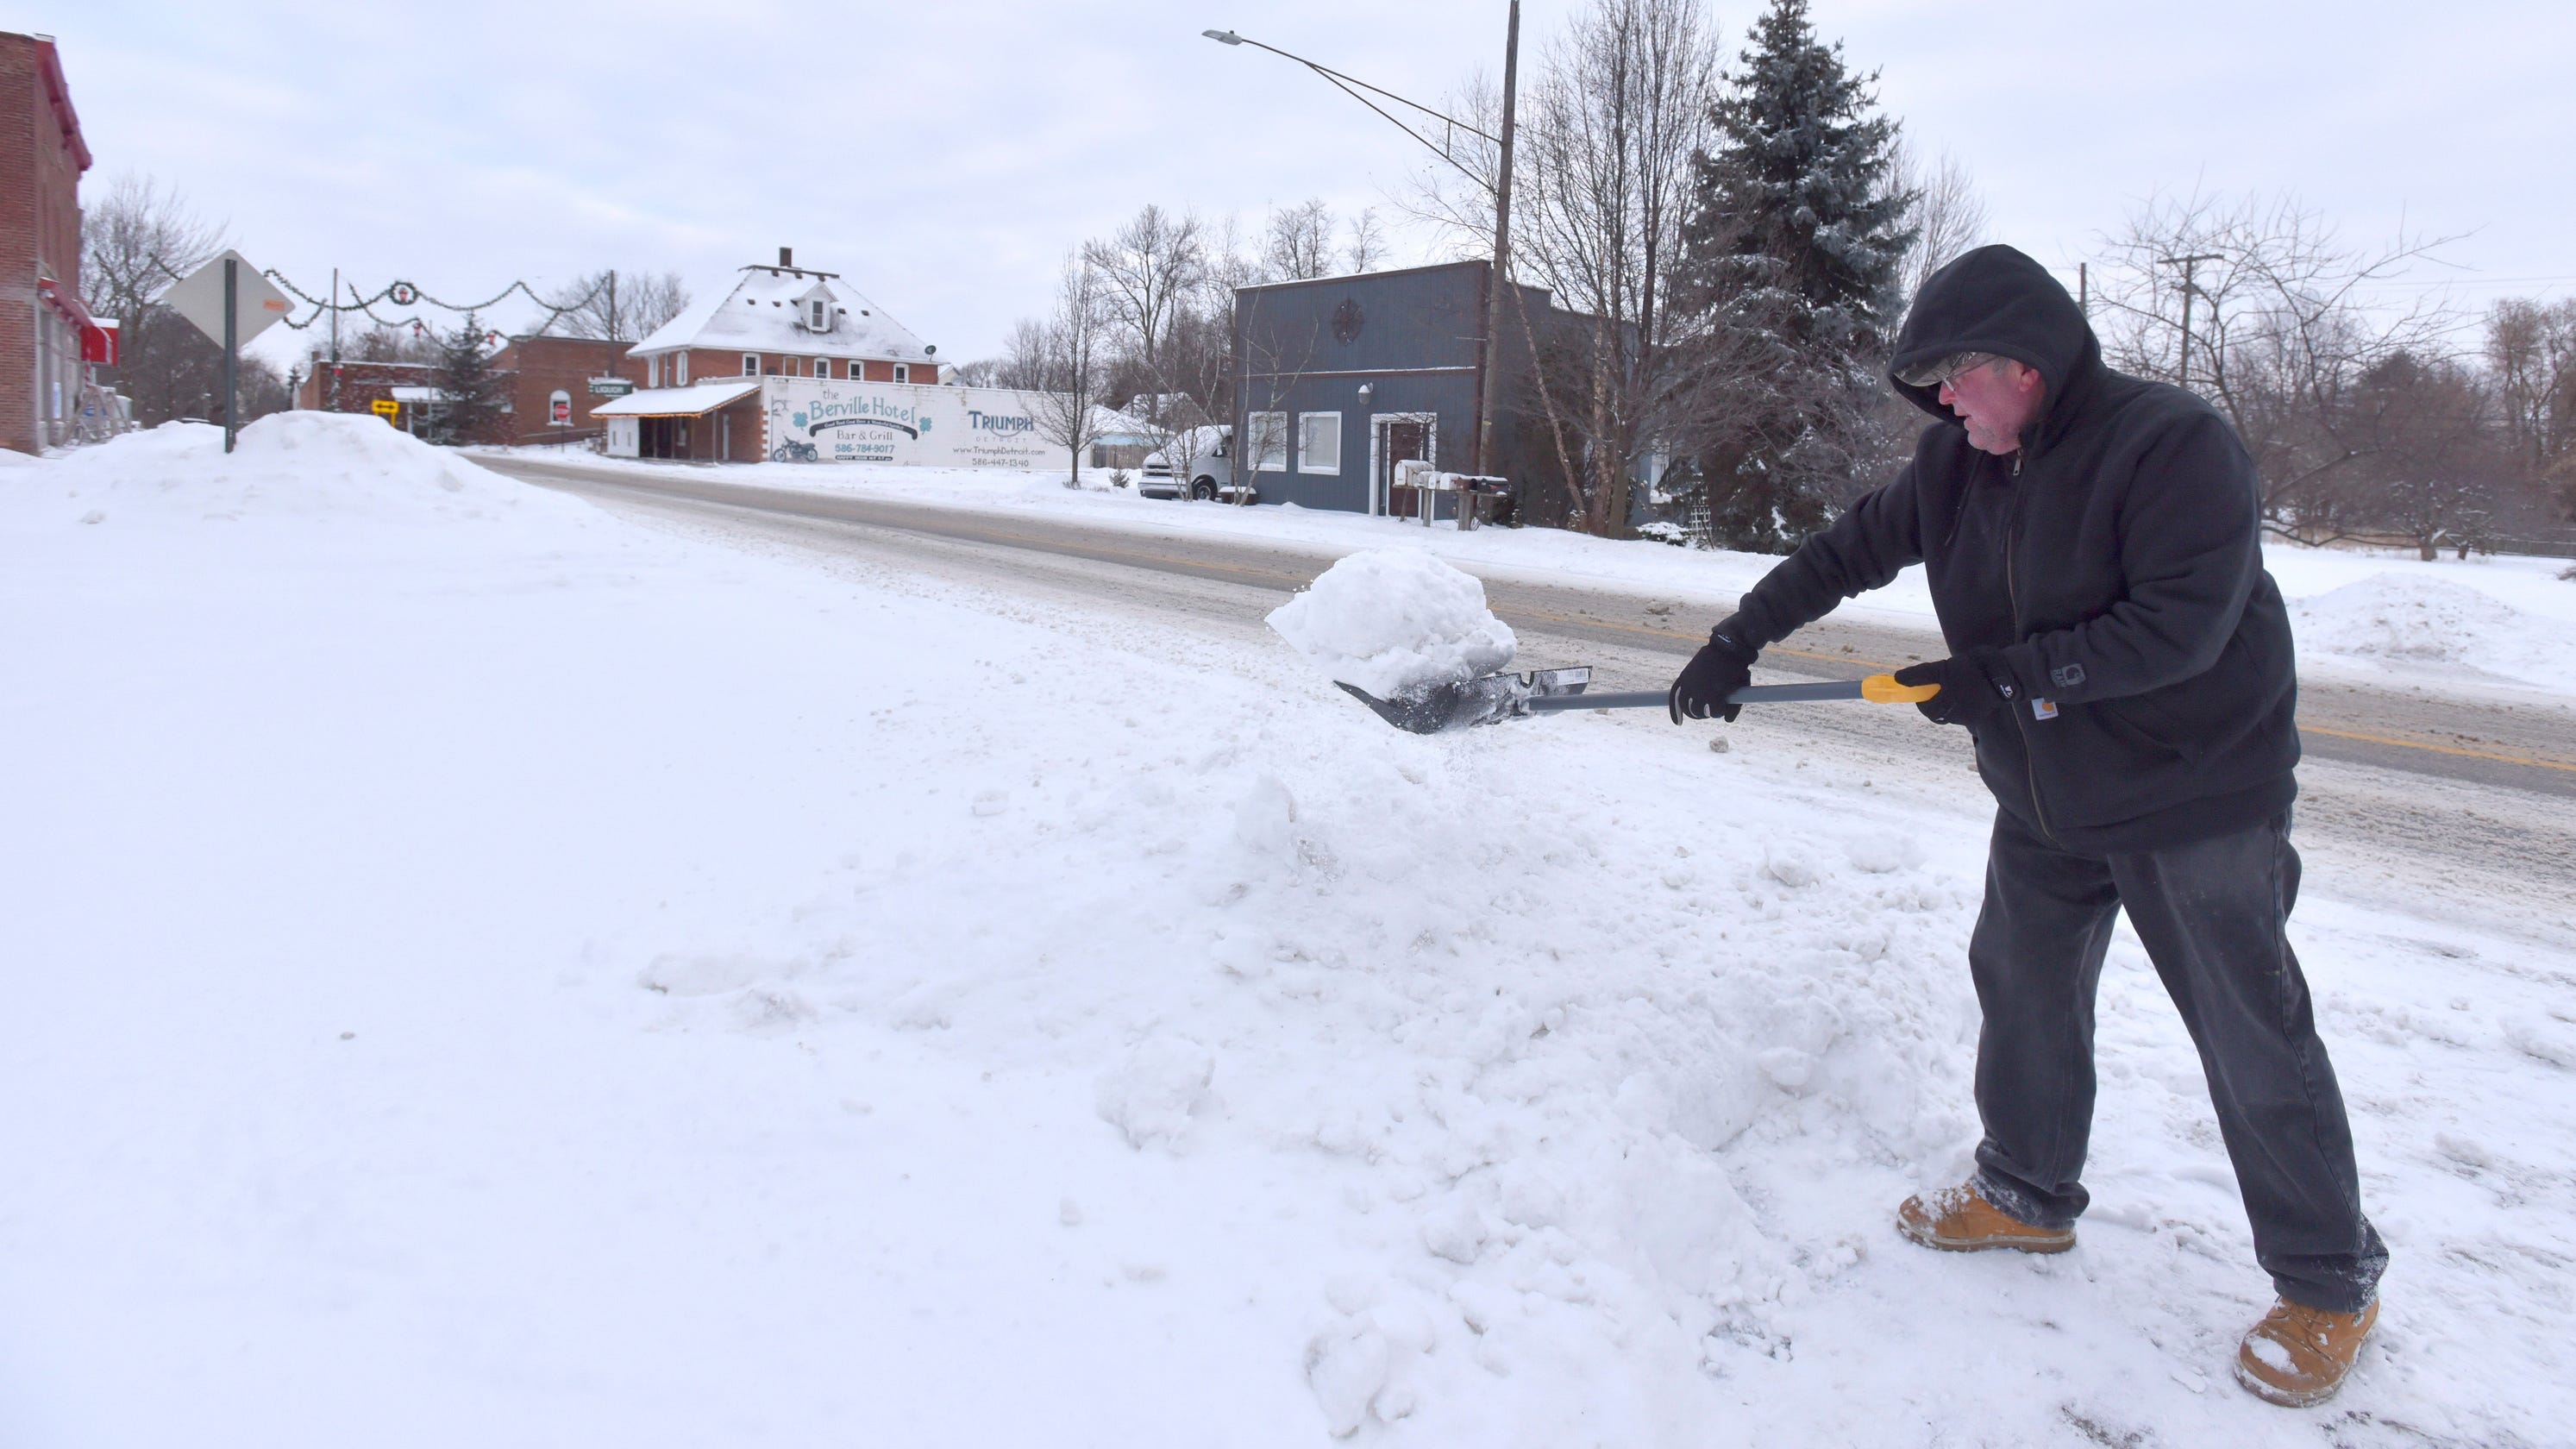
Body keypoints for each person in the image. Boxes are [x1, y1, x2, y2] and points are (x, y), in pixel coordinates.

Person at [1668, 244, 2387, 1408]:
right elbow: (1848, 548)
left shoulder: (2170, 447)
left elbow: (2180, 632)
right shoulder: (1957, 466)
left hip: (2194, 790)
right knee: (2023, 983)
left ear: (2027, 365)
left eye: (1953, 381)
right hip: (2050, 797)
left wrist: (2008, 679)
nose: (1942, 406)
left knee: (2250, 1028)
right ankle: (2027, 1191)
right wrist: (1738, 639)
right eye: (1933, 393)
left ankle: (2327, 1280)